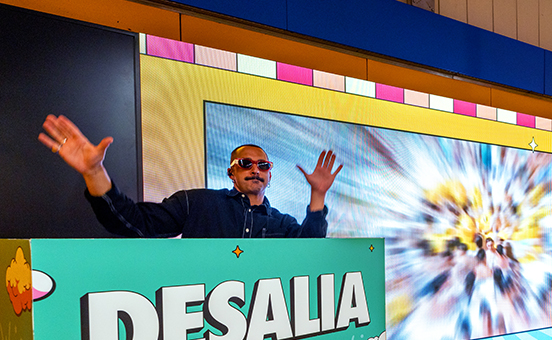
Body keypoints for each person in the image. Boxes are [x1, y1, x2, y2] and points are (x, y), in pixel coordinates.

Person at [38, 114, 342, 238]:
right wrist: (94, 171)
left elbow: (310, 254)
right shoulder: (196, 203)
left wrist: (318, 195)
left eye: (263, 165)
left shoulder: (282, 223)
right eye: (246, 163)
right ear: (231, 172)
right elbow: (134, 223)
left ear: (270, 174)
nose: (255, 169)